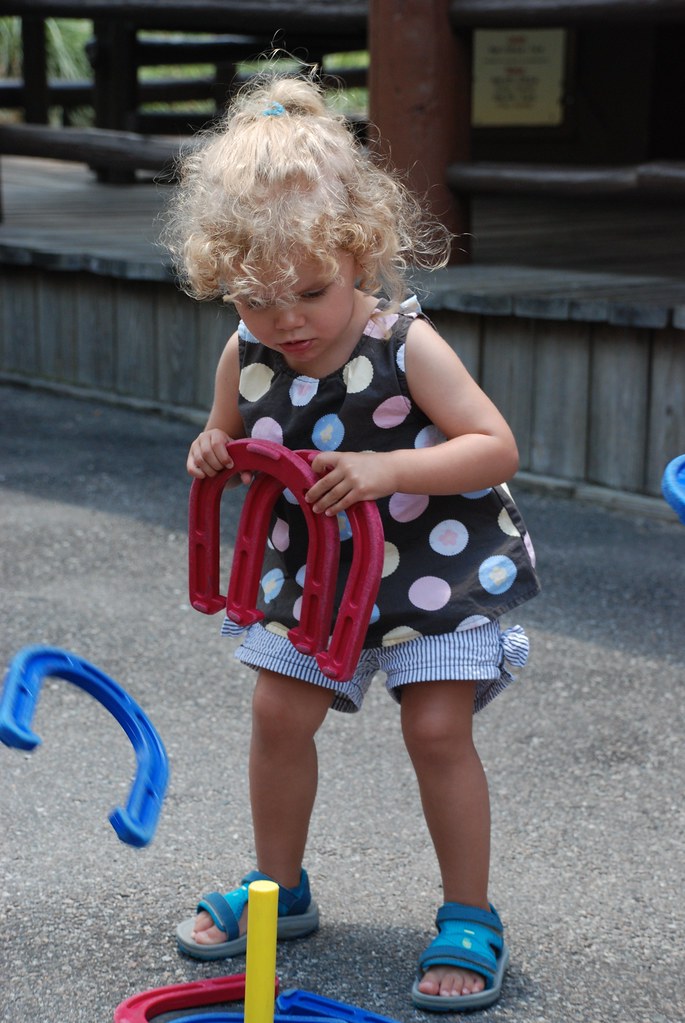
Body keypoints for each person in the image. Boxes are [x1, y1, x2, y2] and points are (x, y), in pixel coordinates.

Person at [162, 72, 540, 1012]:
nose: (284, 319)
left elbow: (494, 446)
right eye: (254, 300)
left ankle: (467, 913)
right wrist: (213, 451)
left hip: (430, 567)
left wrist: (385, 468)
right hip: (320, 578)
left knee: (436, 727)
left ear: (361, 258)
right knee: (276, 716)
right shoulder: (244, 354)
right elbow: (237, 450)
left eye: (309, 291)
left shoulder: (405, 344)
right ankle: (278, 892)